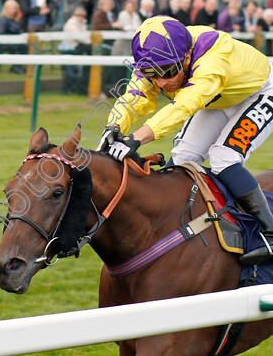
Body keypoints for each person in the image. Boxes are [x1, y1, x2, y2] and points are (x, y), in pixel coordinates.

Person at [101, 16, 273, 265]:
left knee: (224, 157)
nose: (161, 82)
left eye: (168, 72)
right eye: (152, 74)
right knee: (182, 159)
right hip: (217, 98)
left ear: (187, 57)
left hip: (259, 92)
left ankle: (270, 233)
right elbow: (134, 96)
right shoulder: (159, 55)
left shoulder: (213, 59)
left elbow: (184, 105)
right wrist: (113, 126)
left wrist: (136, 138)